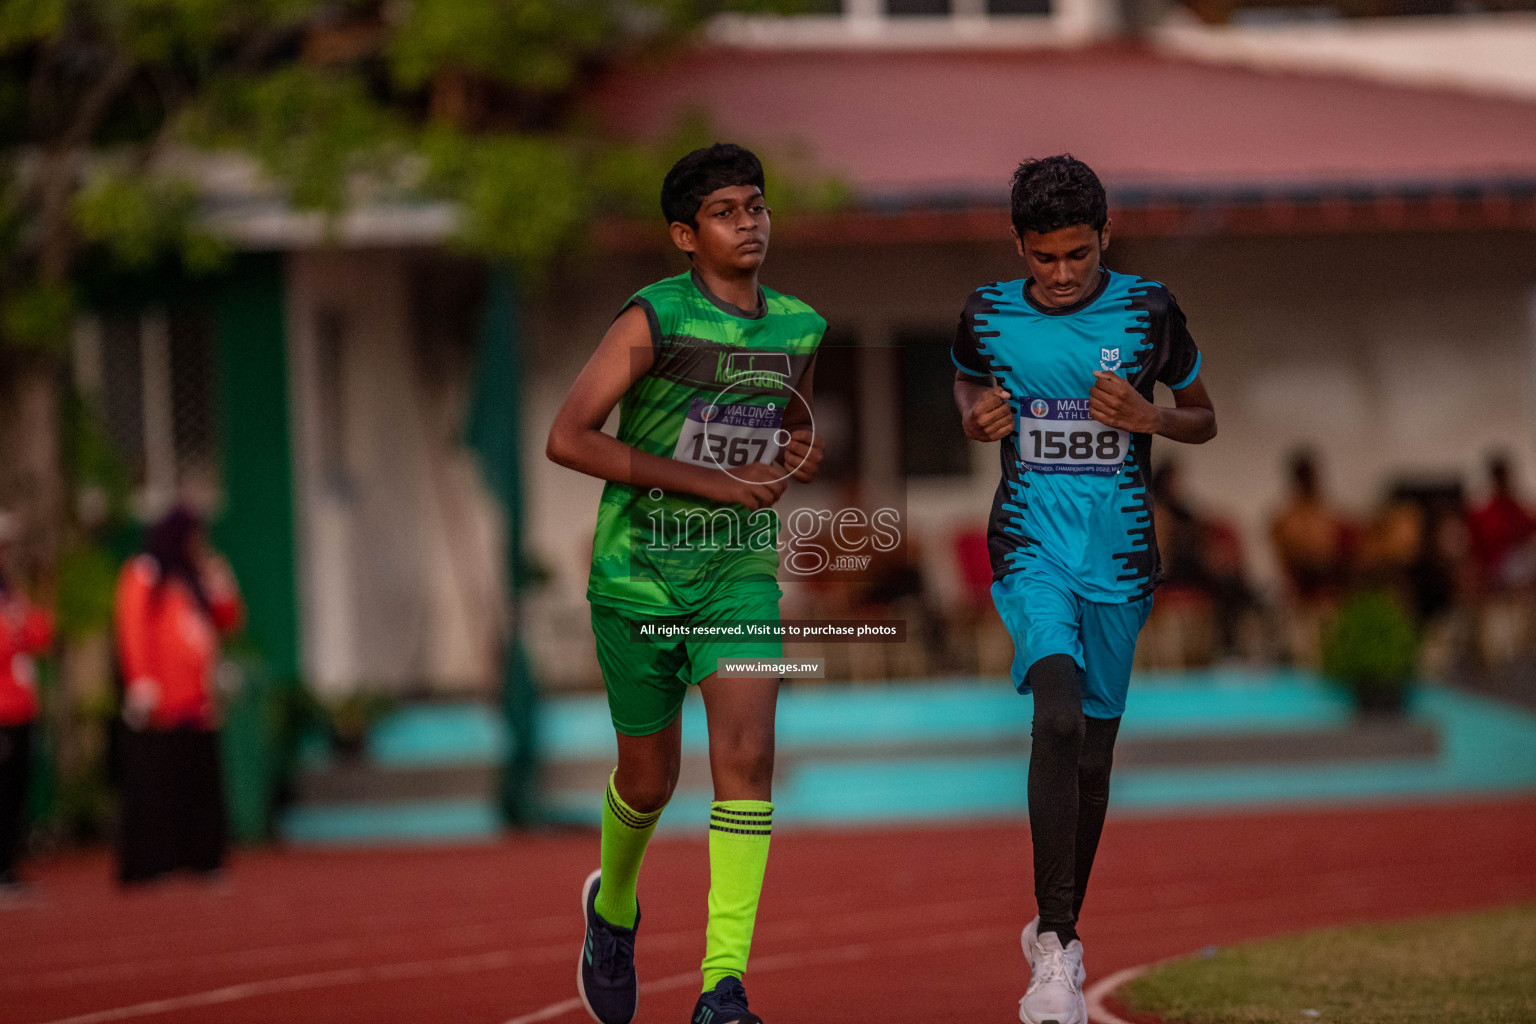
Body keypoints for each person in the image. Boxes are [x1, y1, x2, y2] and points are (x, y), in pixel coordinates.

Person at [546, 143, 825, 1024]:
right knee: (650, 779)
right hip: (639, 580)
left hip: (738, 574)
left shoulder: (800, 328)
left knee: (745, 760)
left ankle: (723, 986)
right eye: (727, 212)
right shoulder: (653, 319)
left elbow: (783, 432)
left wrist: (791, 454)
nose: (751, 223)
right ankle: (615, 908)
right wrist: (709, 480)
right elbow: (570, 438)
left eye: (758, 205)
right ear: (684, 235)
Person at [951, 155, 1216, 1024]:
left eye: (1077, 255)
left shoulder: (1146, 310)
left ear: (1107, 235)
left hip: (1120, 556)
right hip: (1031, 547)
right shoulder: (987, 314)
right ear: (1017, 246)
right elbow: (965, 373)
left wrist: (1152, 419)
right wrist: (973, 412)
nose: (1061, 276)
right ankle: (1055, 956)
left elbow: (1203, 414)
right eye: (1043, 258)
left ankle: (1057, 926)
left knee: (1093, 759)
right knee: (1056, 717)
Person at [112, 504, 243, 885]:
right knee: (157, 784)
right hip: (162, 702)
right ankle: (154, 860)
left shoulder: (194, 577)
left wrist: (221, 583)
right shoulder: (146, 571)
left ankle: (202, 857)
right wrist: (142, 684)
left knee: (199, 784)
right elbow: (132, 627)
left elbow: (227, 621)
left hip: (198, 701)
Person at [0, 511, 53, 892]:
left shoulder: (11, 593)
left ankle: (9, 867)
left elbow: (40, 636)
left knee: (15, 793)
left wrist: (42, 593)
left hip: (20, 707)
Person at [1467, 452, 1536, 592]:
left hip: (1522, 579)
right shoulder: (1482, 515)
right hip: (1494, 578)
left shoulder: (1521, 511)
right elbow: (1476, 548)